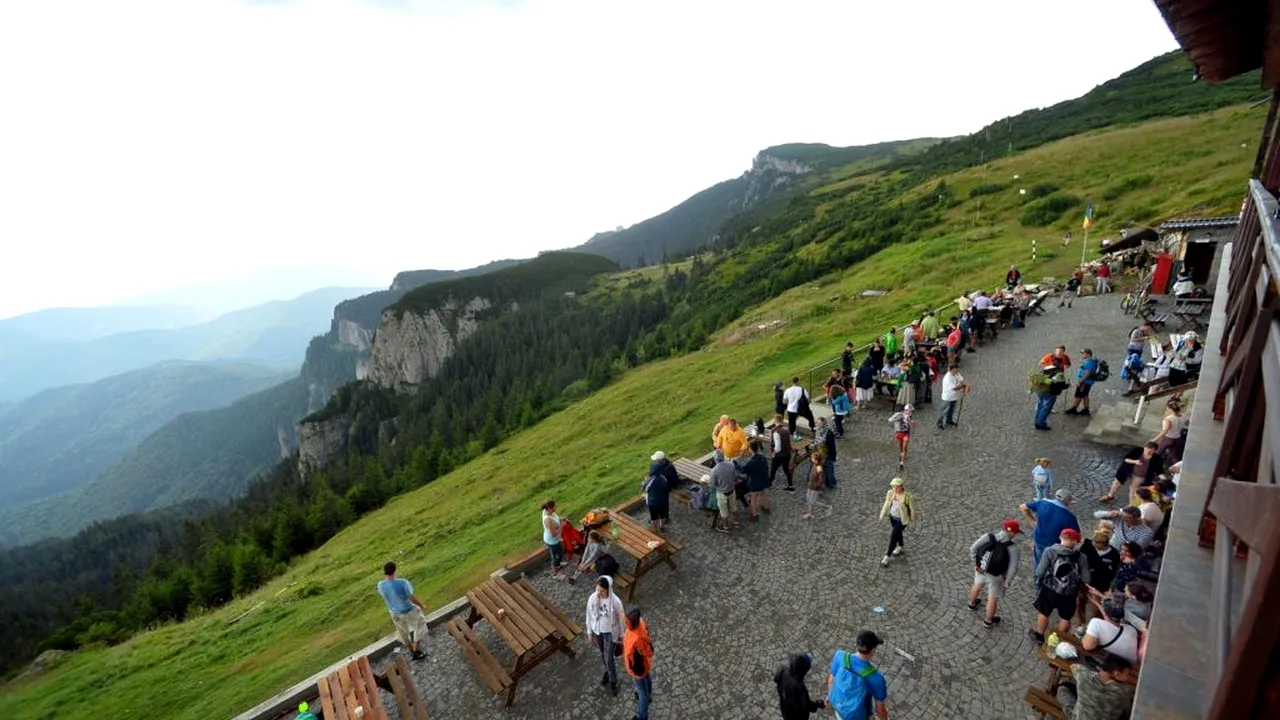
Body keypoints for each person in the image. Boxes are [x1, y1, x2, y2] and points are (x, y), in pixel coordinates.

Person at [1029, 528, 1090, 644]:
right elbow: (1086, 579)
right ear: (1076, 542)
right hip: (1070, 593)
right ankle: (1055, 639)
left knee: (1044, 612)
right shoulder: (1081, 557)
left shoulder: (1050, 551)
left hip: (1050, 588)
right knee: (1065, 617)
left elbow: (1040, 572)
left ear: (1061, 537)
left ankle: (1039, 636)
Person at [968, 520, 1023, 629]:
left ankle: (971, 603)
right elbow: (1013, 567)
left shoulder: (988, 536)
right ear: (1012, 533)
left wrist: (977, 564)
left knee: (977, 585)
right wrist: (1008, 581)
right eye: (1016, 533)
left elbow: (973, 548)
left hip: (982, 569)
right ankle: (988, 621)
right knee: (992, 598)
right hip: (997, 576)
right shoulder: (1013, 548)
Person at [1053, 654, 1137, 720]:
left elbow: (1073, 667)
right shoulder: (1125, 692)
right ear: (1117, 674)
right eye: (1127, 674)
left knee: (1062, 686)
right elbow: (1127, 713)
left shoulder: (1084, 675)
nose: (1127, 677)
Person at [828, 632, 889, 720]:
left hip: (839, 709)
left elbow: (831, 681)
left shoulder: (840, 655)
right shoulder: (877, 678)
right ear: (872, 650)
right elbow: (880, 710)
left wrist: (831, 697)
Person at [377, 562, 430, 661]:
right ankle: (416, 650)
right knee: (419, 625)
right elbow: (411, 597)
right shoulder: (402, 582)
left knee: (403, 632)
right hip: (408, 610)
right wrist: (421, 605)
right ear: (395, 570)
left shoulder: (380, 585)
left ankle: (411, 650)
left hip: (395, 613)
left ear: (384, 572)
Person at [584, 576, 626, 696]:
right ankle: (608, 672)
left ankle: (613, 681)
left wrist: (622, 634)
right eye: (598, 589)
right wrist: (589, 632)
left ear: (608, 589)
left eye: (602, 590)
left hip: (610, 633)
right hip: (598, 632)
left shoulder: (615, 601)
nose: (600, 593)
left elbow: (621, 617)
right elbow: (589, 615)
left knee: (608, 658)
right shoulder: (592, 598)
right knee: (604, 655)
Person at [1020, 489, 1081, 569]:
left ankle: (1038, 578)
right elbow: (1077, 536)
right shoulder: (1070, 517)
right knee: (1053, 567)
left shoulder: (1042, 503)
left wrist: (1033, 522)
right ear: (1067, 501)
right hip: (1055, 546)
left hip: (1039, 541)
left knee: (1039, 564)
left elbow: (1023, 507)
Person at [622, 606, 655, 720]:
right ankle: (648, 696)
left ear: (633, 622)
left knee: (642, 691)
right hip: (639, 665)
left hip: (637, 667)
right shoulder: (638, 623)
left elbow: (649, 652)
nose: (625, 622)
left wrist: (642, 652)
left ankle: (641, 716)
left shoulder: (639, 637)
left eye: (627, 621)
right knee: (646, 678)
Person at [774, 652, 827, 720]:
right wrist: (819, 703)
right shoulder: (799, 687)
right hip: (797, 716)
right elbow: (807, 705)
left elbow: (776, 679)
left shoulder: (783, 671)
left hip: (785, 709)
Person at [879, 477, 915, 567]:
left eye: (896, 486)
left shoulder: (907, 497)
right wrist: (882, 515)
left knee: (894, 536)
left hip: (901, 520)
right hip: (892, 517)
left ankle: (887, 556)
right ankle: (901, 547)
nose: (894, 488)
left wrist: (911, 520)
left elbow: (912, 509)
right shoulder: (890, 493)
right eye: (893, 486)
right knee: (897, 533)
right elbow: (886, 503)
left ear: (901, 486)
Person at [643, 453, 674, 532]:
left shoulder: (650, 480)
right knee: (662, 515)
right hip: (662, 501)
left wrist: (644, 481)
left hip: (652, 502)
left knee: (653, 516)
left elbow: (645, 488)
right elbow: (665, 487)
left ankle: (655, 529)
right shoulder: (663, 478)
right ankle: (661, 527)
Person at [1152, 399, 1188, 465]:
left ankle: (1152, 465)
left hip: (1168, 438)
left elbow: (1165, 431)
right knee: (1174, 456)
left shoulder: (1168, 419)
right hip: (1178, 438)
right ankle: (1177, 470)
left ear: (1170, 409)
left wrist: (1155, 439)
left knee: (1158, 452)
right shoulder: (1184, 417)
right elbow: (1187, 424)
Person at [743, 441, 772, 521]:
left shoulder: (751, 462)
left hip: (755, 484)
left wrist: (735, 464)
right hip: (764, 480)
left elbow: (743, 470)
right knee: (764, 495)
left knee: (753, 498)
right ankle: (766, 508)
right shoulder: (762, 457)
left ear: (750, 449)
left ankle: (754, 515)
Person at [1064, 349, 1099, 416]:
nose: (1082, 355)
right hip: (1087, 382)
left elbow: (1087, 374)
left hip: (1084, 383)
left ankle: (1074, 409)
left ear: (1088, 354)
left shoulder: (1090, 363)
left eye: (1083, 353)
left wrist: (1080, 382)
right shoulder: (1089, 361)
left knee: (1078, 395)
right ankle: (1086, 410)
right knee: (1085, 395)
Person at [710, 457, 738, 533]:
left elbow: (712, 485)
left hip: (722, 493)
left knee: (723, 511)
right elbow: (736, 477)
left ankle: (725, 527)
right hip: (732, 490)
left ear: (715, 459)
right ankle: (736, 521)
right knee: (733, 506)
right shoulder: (731, 465)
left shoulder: (714, 470)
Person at [936, 364, 969, 429]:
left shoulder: (956, 374)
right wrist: (963, 386)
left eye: (956, 370)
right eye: (954, 370)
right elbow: (954, 388)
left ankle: (949, 420)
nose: (956, 372)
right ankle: (939, 423)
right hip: (947, 397)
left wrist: (965, 384)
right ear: (950, 370)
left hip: (954, 396)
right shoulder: (947, 378)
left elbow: (961, 380)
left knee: (951, 409)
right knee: (943, 410)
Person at [769, 414, 796, 491]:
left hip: (779, 455)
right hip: (787, 454)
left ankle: (769, 483)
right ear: (782, 420)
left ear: (775, 421)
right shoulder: (786, 429)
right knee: (786, 470)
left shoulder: (776, 432)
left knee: (773, 470)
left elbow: (778, 447)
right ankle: (790, 486)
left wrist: (773, 453)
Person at [803, 447, 831, 520]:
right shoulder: (814, 465)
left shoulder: (819, 467)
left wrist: (815, 485)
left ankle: (826, 506)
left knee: (813, 501)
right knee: (808, 499)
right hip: (810, 485)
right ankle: (810, 513)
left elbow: (821, 480)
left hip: (814, 488)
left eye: (812, 458)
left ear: (816, 460)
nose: (811, 459)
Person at [542, 499, 567, 578]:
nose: (555, 508)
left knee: (559, 552)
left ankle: (558, 564)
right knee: (555, 556)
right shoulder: (548, 520)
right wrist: (562, 526)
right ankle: (555, 573)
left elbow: (557, 518)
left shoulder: (550, 512)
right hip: (552, 541)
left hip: (556, 539)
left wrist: (562, 519)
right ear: (549, 508)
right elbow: (553, 533)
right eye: (554, 507)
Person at [886, 404, 915, 470]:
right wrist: (895, 424)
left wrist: (910, 422)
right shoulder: (898, 414)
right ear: (906, 410)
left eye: (911, 412)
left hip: (906, 433)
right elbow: (890, 420)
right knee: (901, 445)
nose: (911, 413)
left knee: (905, 445)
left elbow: (914, 425)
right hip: (899, 433)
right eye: (910, 411)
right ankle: (903, 453)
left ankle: (901, 463)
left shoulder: (910, 417)